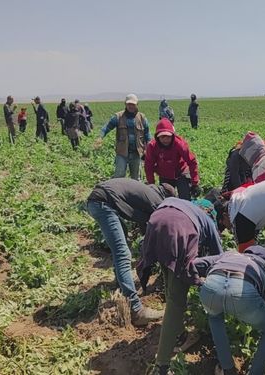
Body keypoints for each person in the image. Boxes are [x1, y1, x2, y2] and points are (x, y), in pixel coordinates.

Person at [137, 197, 223, 375]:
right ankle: (161, 365)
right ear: (210, 214)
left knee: (170, 281)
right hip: (179, 230)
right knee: (177, 301)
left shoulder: (183, 204)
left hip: (155, 223)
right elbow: (221, 259)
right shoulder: (207, 221)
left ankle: (178, 332)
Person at [86, 178, 176, 326]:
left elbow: (147, 228)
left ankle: (120, 283)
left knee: (122, 241)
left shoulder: (145, 193)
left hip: (99, 200)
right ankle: (136, 310)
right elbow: (164, 229)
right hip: (103, 204)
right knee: (123, 254)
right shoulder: (156, 200)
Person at [193, 246, 265, 375]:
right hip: (242, 292)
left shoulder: (229, 254)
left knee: (215, 318)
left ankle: (227, 369)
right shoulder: (262, 267)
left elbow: (195, 263)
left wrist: (199, 281)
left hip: (211, 287)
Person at [216, 177, 265, 282]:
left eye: (224, 225)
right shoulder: (238, 199)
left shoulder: (240, 218)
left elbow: (248, 256)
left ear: (225, 215)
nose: (228, 229)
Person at [98, 94, 151, 180]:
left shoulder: (142, 118)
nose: (131, 106)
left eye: (133, 104)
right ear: (125, 104)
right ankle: (118, 192)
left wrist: (149, 147)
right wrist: (100, 137)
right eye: (129, 104)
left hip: (136, 152)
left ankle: (135, 193)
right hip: (122, 152)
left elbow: (147, 134)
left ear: (137, 104)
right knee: (119, 175)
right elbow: (106, 127)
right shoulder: (118, 117)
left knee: (136, 177)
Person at [144, 118, 200, 200]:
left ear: (172, 135)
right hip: (164, 174)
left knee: (185, 199)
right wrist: (151, 184)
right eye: (162, 137)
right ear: (157, 137)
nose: (165, 140)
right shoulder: (152, 146)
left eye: (168, 137)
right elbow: (148, 165)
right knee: (166, 200)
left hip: (181, 172)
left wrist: (195, 182)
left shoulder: (179, 144)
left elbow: (191, 161)